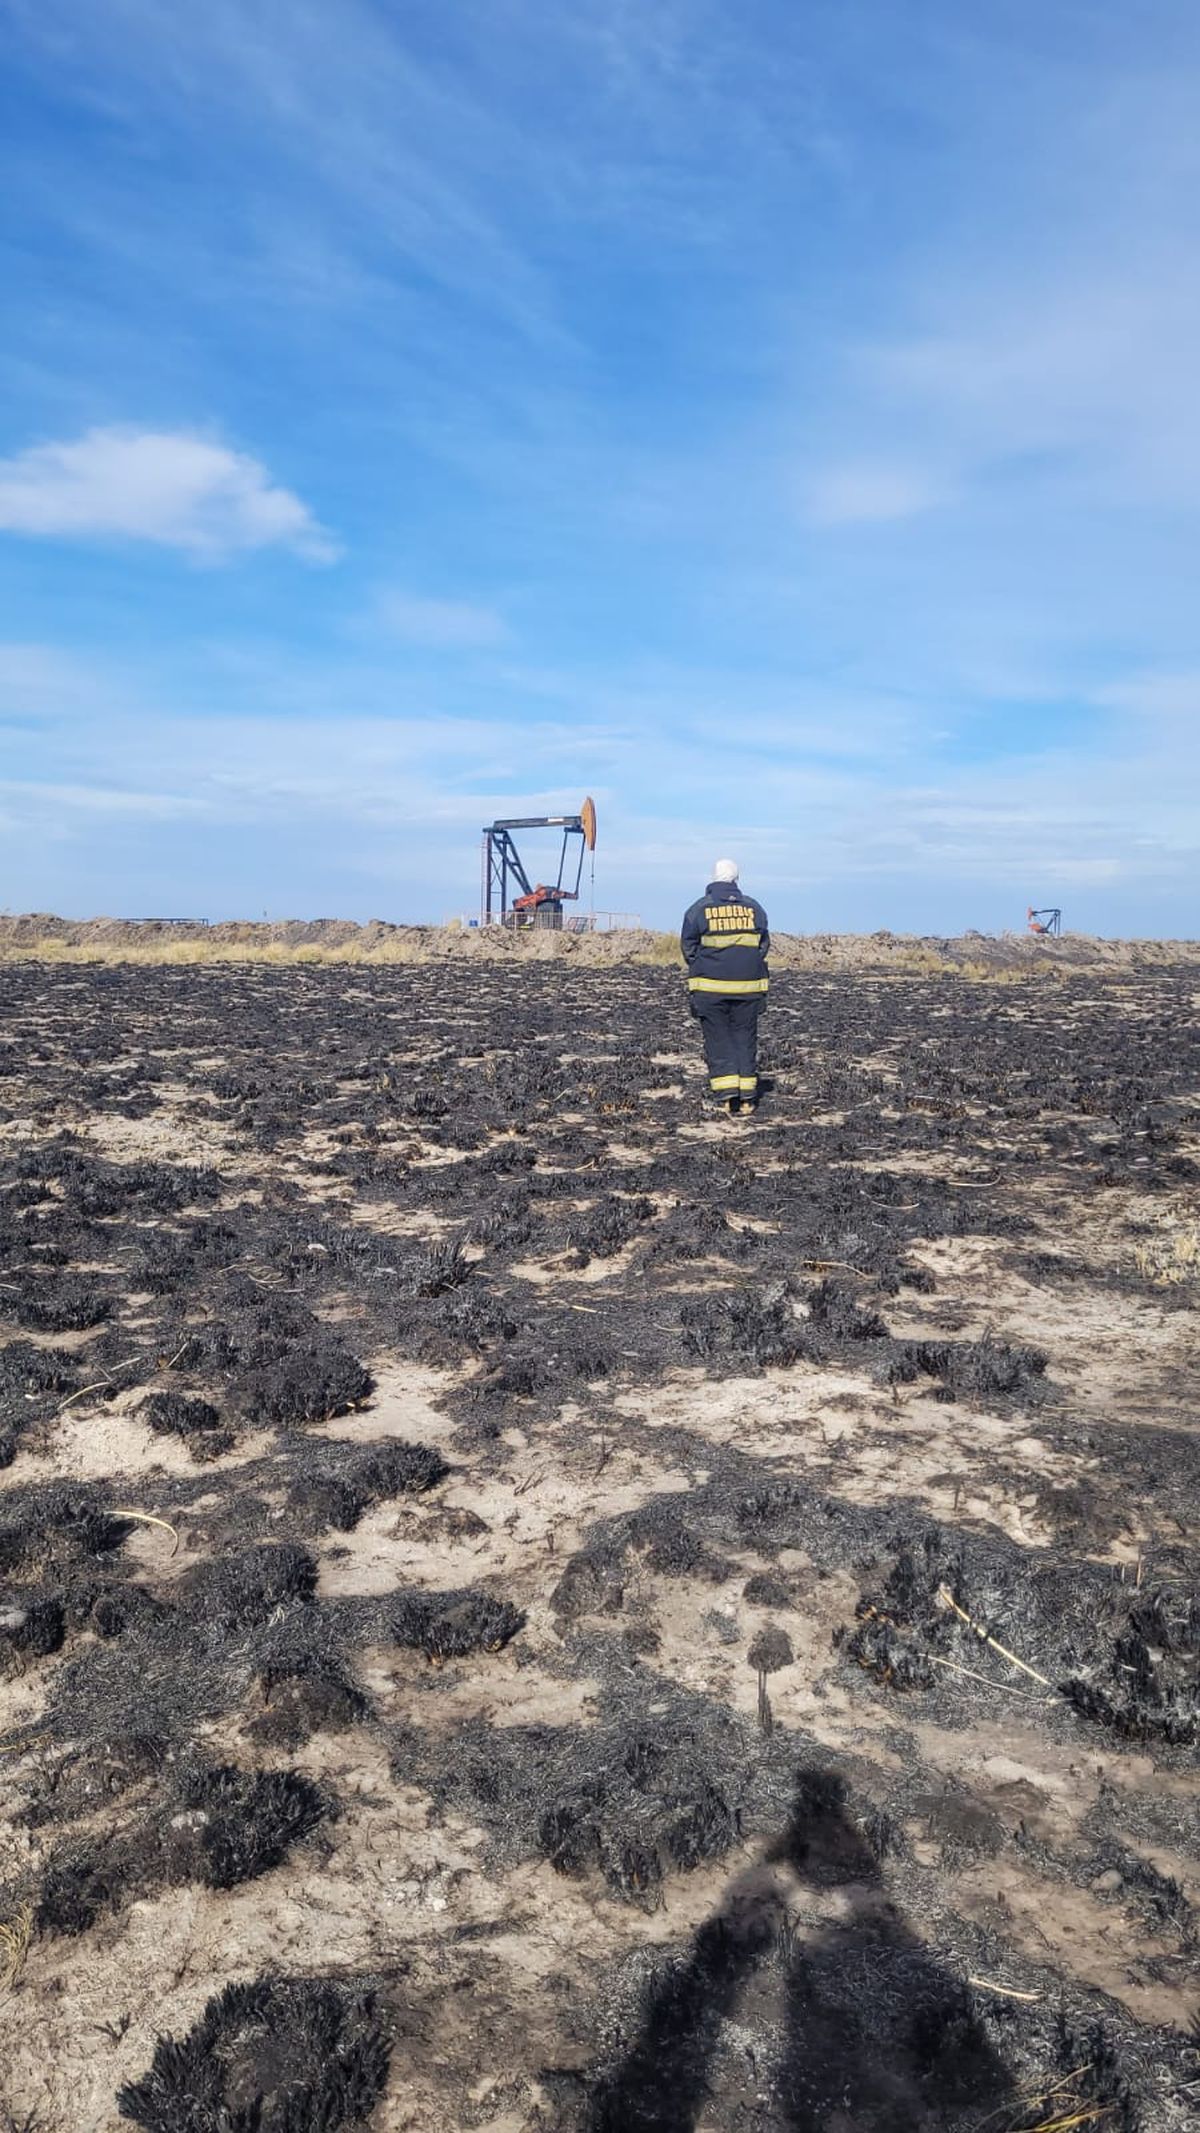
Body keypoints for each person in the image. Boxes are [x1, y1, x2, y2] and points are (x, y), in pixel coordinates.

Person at [680, 859, 770, 1115]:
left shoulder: (699, 909)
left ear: (713, 878)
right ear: (736, 879)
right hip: (749, 989)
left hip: (711, 989)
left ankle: (726, 1097)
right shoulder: (754, 908)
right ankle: (748, 1099)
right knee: (745, 1039)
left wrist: (705, 966)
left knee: (718, 1039)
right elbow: (763, 945)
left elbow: (688, 947)